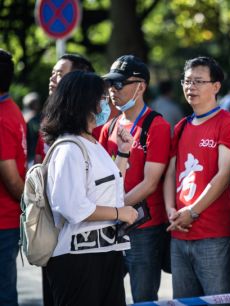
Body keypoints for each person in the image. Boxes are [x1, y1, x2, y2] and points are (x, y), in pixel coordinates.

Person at [41, 70, 138, 306]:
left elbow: (109, 188)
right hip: (78, 260)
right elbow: (72, 207)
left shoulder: (90, 142)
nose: (106, 103)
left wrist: (124, 152)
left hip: (104, 253)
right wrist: (119, 213)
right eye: (101, 98)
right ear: (84, 102)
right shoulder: (69, 148)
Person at [164, 56, 230, 302]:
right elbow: (170, 172)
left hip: (214, 235)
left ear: (216, 86)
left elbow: (224, 174)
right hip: (179, 231)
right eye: (187, 81)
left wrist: (193, 211)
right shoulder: (180, 127)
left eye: (198, 81)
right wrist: (170, 210)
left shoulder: (229, 124)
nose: (191, 87)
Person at [100, 55, 171, 303]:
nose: (112, 90)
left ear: (140, 86)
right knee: (105, 293)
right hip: (111, 223)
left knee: (143, 297)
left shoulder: (157, 125)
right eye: (110, 84)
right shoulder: (109, 126)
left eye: (118, 84)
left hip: (144, 228)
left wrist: (115, 211)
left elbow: (150, 183)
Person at [35, 53, 104, 164]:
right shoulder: (49, 118)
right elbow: (39, 159)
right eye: (52, 73)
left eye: (59, 74)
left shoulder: (93, 123)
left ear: (77, 80)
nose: (52, 78)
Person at [0, 49, 27, 306]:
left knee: (3, 294)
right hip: (7, 220)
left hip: (2, 221)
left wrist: (28, 205)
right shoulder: (11, 109)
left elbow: (10, 177)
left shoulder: (1, 117)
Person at [22, 92, 42, 166]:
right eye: (34, 103)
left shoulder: (21, 117)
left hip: (31, 155)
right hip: (30, 155)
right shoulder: (32, 119)